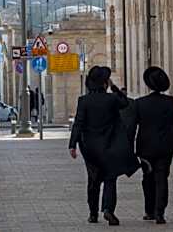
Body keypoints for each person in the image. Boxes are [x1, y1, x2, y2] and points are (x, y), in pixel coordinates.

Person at [68, 66, 137, 226]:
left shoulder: (83, 100)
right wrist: (114, 88)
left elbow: (78, 123)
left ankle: (93, 214)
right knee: (110, 178)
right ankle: (108, 209)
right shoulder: (112, 99)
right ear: (105, 83)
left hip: (90, 147)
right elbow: (125, 103)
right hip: (109, 145)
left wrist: (72, 145)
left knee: (93, 180)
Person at [133, 66, 173, 225]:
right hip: (165, 146)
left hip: (145, 147)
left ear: (148, 85)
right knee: (162, 178)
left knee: (147, 178)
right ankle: (160, 212)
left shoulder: (140, 103)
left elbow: (134, 123)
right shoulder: (169, 102)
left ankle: (149, 210)